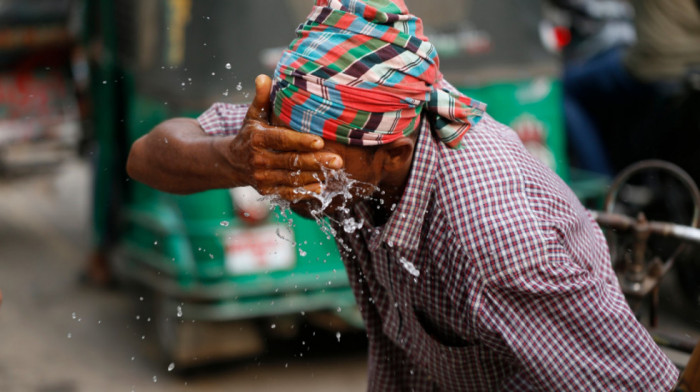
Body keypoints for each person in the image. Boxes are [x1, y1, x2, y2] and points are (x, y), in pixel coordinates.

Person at [127, 0, 679, 390]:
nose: (291, 172)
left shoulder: (493, 237)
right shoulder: (311, 139)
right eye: (282, 147)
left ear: (393, 149)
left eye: (316, 158)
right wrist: (236, 158)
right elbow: (145, 156)